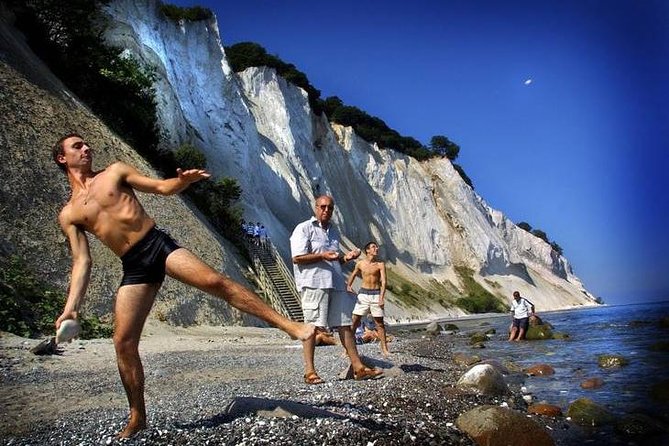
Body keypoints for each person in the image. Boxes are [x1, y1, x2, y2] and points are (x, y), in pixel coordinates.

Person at [51, 134, 315, 438]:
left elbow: (162, 187)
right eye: (77, 146)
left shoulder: (114, 172)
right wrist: (70, 309)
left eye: (87, 144)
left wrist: (181, 182)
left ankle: (290, 326)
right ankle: (138, 416)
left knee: (216, 282)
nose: (87, 148)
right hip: (133, 266)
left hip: (156, 245)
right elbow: (82, 262)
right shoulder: (69, 213)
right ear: (62, 158)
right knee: (123, 343)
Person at [290, 195, 383, 384]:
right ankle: (310, 372)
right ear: (316, 208)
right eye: (323, 207)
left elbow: (335, 259)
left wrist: (347, 257)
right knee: (312, 326)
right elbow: (297, 258)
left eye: (330, 208)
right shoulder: (304, 228)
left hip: (335, 282)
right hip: (314, 283)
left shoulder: (333, 231)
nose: (326, 211)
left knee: (345, 325)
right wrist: (323, 255)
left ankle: (358, 368)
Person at [347, 241, 390, 356]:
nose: (376, 249)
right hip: (363, 294)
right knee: (354, 321)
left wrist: (381, 297)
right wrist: (348, 286)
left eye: (376, 247)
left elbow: (384, 282)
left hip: (376, 294)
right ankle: (347, 350)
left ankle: (384, 349)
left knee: (379, 323)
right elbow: (354, 274)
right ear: (367, 250)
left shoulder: (380, 264)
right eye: (374, 247)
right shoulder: (360, 263)